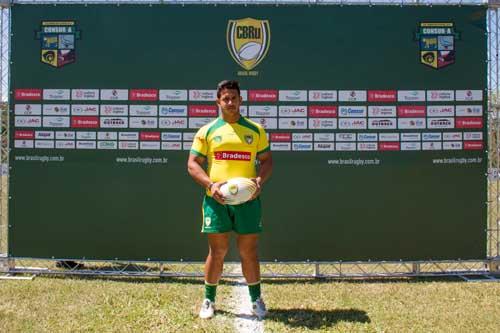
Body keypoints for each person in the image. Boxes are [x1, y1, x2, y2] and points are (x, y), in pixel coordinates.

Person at [187, 80, 273, 319]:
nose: (230, 102)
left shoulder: (255, 130)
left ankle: (256, 300)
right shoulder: (207, 131)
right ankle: (208, 300)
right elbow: (193, 164)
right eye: (225, 98)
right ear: (218, 101)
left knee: (249, 252)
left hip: (248, 202)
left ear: (240, 100)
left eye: (234, 98)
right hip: (217, 201)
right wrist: (210, 185)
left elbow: (267, 161)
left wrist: (258, 181)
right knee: (218, 251)